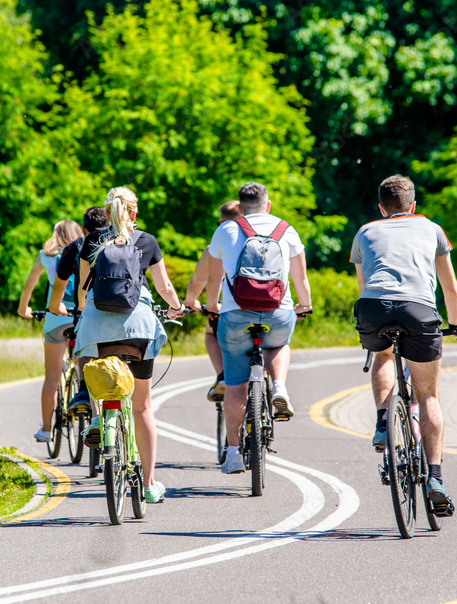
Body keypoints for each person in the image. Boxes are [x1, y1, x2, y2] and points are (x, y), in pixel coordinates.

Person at [49, 187, 186, 504]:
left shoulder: (92, 241)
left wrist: (83, 311)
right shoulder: (147, 241)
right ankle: (149, 484)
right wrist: (177, 307)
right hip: (138, 327)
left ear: (107, 211)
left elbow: (83, 290)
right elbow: (164, 286)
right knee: (143, 407)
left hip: (97, 327)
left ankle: (98, 420)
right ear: (134, 212)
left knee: (91, 366)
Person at [350, 174, 457, 514]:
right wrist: (456, 323)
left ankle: (382, 421)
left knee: (383, 355)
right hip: (419, 310)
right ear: (413, 205)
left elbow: (363, 285)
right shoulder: (432, 229)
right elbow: (450, 289)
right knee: (428, 395)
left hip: (373, 307)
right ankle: (435, 479)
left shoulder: (364, 232)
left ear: (381, 208)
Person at [206, 182, 312, 475]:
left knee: (236, 384)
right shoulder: (286, 230)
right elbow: (301, 279)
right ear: (268, 204)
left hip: (236, 316)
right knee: (279, 343)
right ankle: (279, 386)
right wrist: (305, 305)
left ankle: (233, 454)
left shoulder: (226, 230)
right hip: (278, 313)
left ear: (240, 208)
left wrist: (213, 307)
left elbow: (213, 280)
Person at [17, 219, 84, 442]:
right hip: (81, 316)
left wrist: (23, 309)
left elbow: (29, 284)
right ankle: (85, 402)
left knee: (52, 378)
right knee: (84, 365)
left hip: (56, 318)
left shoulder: (46, 255)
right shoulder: (85, 251)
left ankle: (46, 430)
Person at [49, 206, 110, 413]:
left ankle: (83, 390)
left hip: (86, 310)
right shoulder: (120, 241)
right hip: (120, 312)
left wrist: (54, 307)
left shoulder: (76, 246)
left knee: (84, 345)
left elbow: (59, 286)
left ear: (83, 228)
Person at [182, 200, 243, 401]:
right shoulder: (260, 241)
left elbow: (198, 281)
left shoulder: (215, 248)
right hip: (267, 308)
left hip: (230, 312)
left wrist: (191, 302)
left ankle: (222, 375)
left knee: (211, 331)